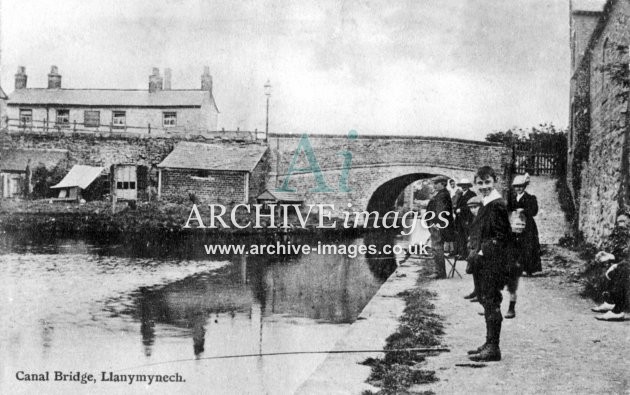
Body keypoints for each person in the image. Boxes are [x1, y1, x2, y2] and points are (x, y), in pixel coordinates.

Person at [466, 166, 511, 362]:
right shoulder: (486, 202)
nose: (483, 187)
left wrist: (483, 251)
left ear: (494, 182)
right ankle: (488, 342)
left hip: (491, 262)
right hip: (483, 262)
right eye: (480, 183)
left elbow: (502, 237)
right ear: (475, 184)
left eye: (487, 183)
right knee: (485, 300)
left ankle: (493, 347)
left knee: (491, 301)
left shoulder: (497, 204)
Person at [591, 211, 630, 321]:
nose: (621, 224)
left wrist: (617, 265)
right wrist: (611, 256)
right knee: (613, 266)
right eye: (619, 222)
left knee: (622, 270)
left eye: (623, 221)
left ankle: (618, 311)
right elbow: (626, 255)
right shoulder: (625, 235)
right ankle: (611, 302)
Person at [507, 174, 541, 276]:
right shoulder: (512, 198)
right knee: (514, 245)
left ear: (525, 186)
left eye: (521, 186)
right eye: (516, 186)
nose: (518, 188)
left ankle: (529, 269)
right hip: (515, 223)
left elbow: (534, 211)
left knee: (528, 245)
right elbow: (508, 209)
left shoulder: (530, 198)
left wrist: (524, 210)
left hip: (528, 225)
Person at [426, 175, 454, 279]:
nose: (434, 185)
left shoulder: (442, 195)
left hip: (438, 226)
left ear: (443, 183)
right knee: (436, 248)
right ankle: (438, 271)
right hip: (439, 225)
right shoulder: (442, 194)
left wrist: (437, 223)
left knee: (437, 248)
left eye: (436, 183)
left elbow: (440, 211)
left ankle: (439, 273)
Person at [463, 195, 482, 300]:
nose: (473, 210)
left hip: (481, 247)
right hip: (473, 246)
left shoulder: (484, 218)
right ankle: (476, 291)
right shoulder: (474, 218)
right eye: (471, 208)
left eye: (475, 207)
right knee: (474, 270)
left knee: (481, 272)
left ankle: (481, 294)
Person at [454, 178, 477, 259]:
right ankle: (462, 254)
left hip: (467, 219)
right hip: (460, 219)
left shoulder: (472, 194)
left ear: (468, 186)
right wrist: (455, 210)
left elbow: (472, 206)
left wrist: (461, 209)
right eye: (462, 185)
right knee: (461, 237)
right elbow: (456, 205)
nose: (463, 187)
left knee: (468, 236)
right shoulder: (460, 195)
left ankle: (469, 255)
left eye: (465, 185)